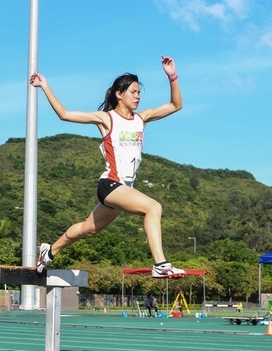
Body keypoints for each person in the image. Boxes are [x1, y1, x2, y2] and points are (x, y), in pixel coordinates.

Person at [30, 56, 185, 279]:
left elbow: (176, 105)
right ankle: (160, 264)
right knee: (153, 207)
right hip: (110, 185)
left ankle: (49, 251)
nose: (137, 96)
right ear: (118, 94)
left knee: (88, 229)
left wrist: (172, 76)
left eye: (139, 93)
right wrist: (45, 86)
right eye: (133, 92)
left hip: (124, 190)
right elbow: (64, 115)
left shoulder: (142, 118)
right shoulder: (106, 119)